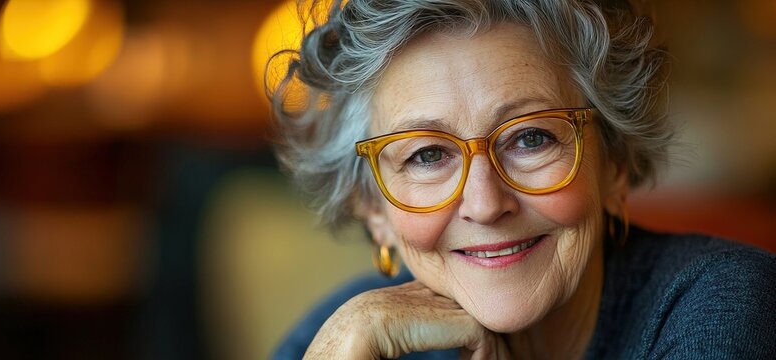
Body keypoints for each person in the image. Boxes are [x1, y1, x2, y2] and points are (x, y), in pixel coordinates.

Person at [268, 0, 776, 358]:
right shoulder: (353, 333)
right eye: (426, 155)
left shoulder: (718, 306)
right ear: (374, 208)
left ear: (614, 160)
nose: (486, 203)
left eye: (530, 139)